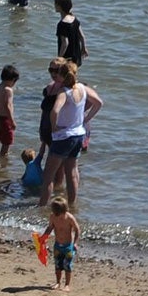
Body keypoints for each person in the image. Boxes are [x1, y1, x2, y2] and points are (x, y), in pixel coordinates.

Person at [41, 58, 103, 208]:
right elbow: (99, 103)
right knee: (72, 172)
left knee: (49, 175)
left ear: (62, 75)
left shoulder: (64, 92)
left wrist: (55, 127)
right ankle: (72, 205)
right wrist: (85, 119)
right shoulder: (81, 88)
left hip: (64, 136)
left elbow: (55, 110)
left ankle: (41, 207)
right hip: (78, 135)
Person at [45, 196, 80, 289]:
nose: (56, 215)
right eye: (55, 212)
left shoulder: (69, 218)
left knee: (67, 265)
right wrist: (44, 237)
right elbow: (50, 227)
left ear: (64, 210)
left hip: (68, 246)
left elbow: (77, 230)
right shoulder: (53, 216)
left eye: (58, 213)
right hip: (57, 245)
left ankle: (67, 285)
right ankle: (58, 282)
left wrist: (75, 243)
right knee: (58, 265)